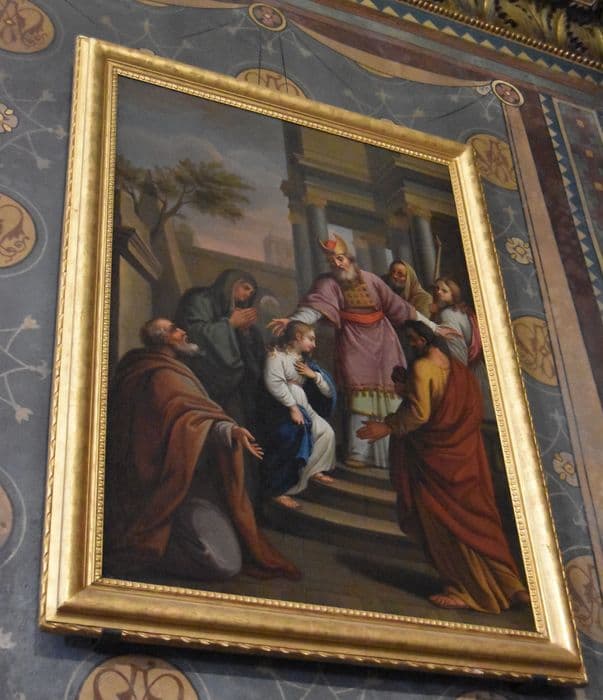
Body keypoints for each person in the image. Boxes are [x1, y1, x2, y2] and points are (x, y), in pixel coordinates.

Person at [104, 318, 300, 582]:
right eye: (175, 330)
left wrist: (229, 430)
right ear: (163, 339)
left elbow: (194, 417)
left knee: (226, 559)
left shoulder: (167, 370)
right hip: (155, 487)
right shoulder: (161, 375)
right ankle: (155, 549)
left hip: (176, 486)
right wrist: (227, 430)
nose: (182, 332)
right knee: (222, 564)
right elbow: (184, 423)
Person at [357, 321, 529, 613]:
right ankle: (511, 586)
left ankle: (466, 591)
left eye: (413, 339)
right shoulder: (458, 370)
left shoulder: (423, 367)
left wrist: (386, 426)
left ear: (425, 339)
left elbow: (420, 415)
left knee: (444, 524)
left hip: (435, 462)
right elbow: (457, 407)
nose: (411, 344)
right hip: (464, 456)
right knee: (476, 521)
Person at [268, 234, 455, 470]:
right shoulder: (328, 284)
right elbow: (314, 309)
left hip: (385, 342)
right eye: (332, 261)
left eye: (340, 258)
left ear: (349, 257)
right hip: (353, 342)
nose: (337, 264)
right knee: (359, 395)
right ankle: (359, 452)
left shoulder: (371, 280)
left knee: (392, 396)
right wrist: (293, 320)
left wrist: (434, 327)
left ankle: (390, 457)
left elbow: (401, 308)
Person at [259, 322, 337, 510]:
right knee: (291, 438)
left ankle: (313, 470)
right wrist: (293, 408)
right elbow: (274, 383)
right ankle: (279, 491)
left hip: (303, 405)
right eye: (311, 339)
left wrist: (314, 376)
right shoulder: (276, 356)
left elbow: (328, 392)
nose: (314, 344)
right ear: (298, 337)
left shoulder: (306, 362)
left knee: (326, 433)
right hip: (281, 407)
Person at [175, 269, 264, 428]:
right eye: (245, 288)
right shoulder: (200, 299)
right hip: (200, 378)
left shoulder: (233, 310)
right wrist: (230, 324)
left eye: (251, 293)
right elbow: (194, 334)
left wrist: (244, 333)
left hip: (231, 384)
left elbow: (247, 354)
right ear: (231, 283)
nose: (247, 295)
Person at [432, 277, 494, 422]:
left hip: (463, 371)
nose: (438, 292)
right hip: (473, 369)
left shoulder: (448, 315)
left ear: (454, 294)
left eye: (444, 291)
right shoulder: (463, 311)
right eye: (437, 289)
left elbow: (457, 353)